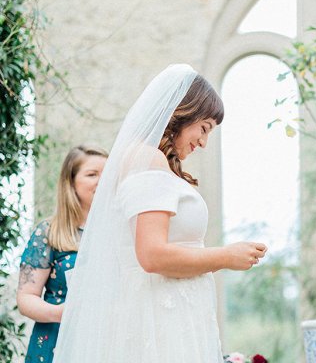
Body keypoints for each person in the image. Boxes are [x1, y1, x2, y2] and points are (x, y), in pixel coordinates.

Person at [53, 64, 267, 362]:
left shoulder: (153, 161)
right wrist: (225, 257)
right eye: (204, 128)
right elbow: (151, 255)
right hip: (159, 318)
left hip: (174, 312)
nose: (204, 142)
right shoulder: (146, 158)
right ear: (182, 113)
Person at [17, 145, 108, 363]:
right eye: (92, 174)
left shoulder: (119, 231)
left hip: (105, 340)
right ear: (71, 181)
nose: (102, 181)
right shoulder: (48, 232)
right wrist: (63, 313)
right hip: (55, 341)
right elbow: (26, 298)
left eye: (108, 173)